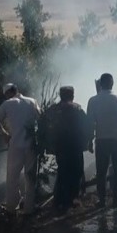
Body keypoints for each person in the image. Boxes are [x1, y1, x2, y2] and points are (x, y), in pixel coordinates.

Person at [42, 86, 93, 214]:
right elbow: (88, 125)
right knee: (76, 171)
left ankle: (60, 200)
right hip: (75, 146)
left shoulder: (53, 109)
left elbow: (43, 124)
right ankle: (72, 199)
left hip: (60, 147)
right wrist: (88, 140)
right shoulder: (77, 109)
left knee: (63, 172)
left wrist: (46, 144)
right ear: (72, 95)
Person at [0, 83, 42, 215]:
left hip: (15, 145)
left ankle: (11, 207)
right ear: (17, 90)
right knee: (30, 177)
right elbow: (41, 119)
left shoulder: (7, 104)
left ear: (7, 93)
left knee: (12, 177)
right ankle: (28, 209)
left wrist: (4, 134)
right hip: (31, 144)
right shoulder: (32, 101)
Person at [87, 73, 117, 209]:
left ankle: (101, 201)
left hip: (101, 140)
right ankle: (116, 200)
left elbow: (90, 123)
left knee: (101, 172)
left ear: (100, 84)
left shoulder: (93, 100)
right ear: (112, 84)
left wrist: (89, 140)